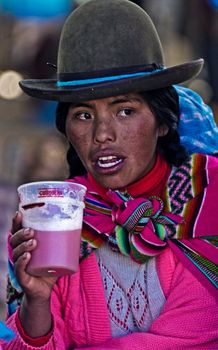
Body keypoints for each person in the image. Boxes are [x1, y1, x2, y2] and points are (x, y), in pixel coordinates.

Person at [3, 0, 218, 349]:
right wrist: (36, 301)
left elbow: (199, 332)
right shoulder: (58, 216)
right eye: (84, 115)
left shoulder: (209, 196)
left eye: (125, 110)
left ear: (163, 122)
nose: (103, 133)